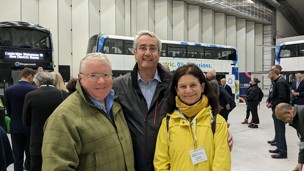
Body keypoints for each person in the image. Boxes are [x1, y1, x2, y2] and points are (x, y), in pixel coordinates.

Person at [113, 30, 233, 171]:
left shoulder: (174, 82)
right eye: (142, 48)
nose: (147, 53)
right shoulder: (119, 86)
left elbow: (199, 109)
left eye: (152, 48)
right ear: (134, 53)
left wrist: (220, 130)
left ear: (159, 54)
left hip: (172, 158)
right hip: (134, 163)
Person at [42, 53, 134, 170]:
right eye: (93, 75)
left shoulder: (117, 106)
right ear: (80, 78)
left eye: (106, 75)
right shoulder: (63, 118)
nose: (101, 81)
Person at [153, 63, 231, 170]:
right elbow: (160, 163)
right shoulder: (167, 123)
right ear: (176, 90)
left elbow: (222, 164)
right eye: (183, 86)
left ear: (202, 87)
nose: (188, 91)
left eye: (193, 85)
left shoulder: (217, 122)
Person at [22, 71, 68, 171]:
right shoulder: (63, 95)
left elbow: (26, 122)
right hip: (58, 142)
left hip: (37, 143)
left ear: (37, 81)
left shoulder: (31, 96)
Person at [4, 67, 36, 171]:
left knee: (17, 157)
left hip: (16, 127)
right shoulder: (34, 90)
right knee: (30, 156)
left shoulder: (9, 90)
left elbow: (8, 111)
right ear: (30, 76)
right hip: (30, 128)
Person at [266, 68, 290, 159]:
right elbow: (273, 94)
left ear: (274, 74)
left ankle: (283, 152)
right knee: (278, 130)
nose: (268, 76)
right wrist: (270, 101)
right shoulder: (277, 81)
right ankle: (279, 147)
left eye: (269, 74)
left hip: (281, 110)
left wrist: (272, 103)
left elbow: (282, 97)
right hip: (277, 109)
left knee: (280, 130)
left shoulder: (280, 83)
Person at [275, 103, 304, 171]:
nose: (284, 122)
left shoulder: (302, 113)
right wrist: (300, 163)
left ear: (288, 112)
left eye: (283, 119)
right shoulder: (296, 120)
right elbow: (303, 141)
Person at [267, 64, 283, 145]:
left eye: (272, 70)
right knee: (277, 125)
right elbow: (271, 92)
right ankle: (277, 139)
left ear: (276, 71)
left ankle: (279, 143)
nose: (270, 71)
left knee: (279, 126)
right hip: (274, 106)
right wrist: (268, 101)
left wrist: (271, 103)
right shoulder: (274, 81)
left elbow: (281, 96)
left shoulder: (280, 81)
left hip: (279, 107)